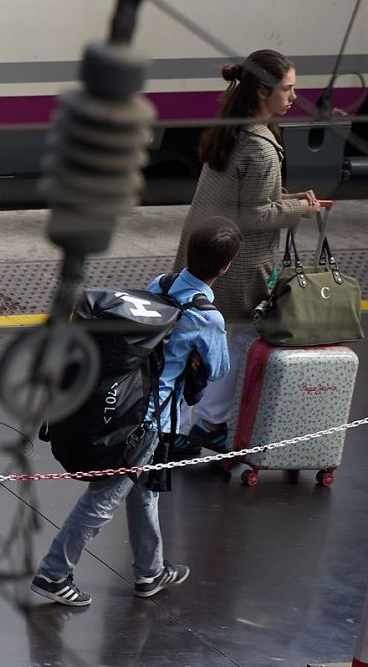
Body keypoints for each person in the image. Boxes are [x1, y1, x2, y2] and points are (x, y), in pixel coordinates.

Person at [32, 216, 241, 607]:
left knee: (144, 493)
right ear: (226, 267)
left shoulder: (160, 284)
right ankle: (53, 573)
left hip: (126, 404)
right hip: (146, 423)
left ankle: (150, 571)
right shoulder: (207, 317)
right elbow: (221, 369)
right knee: (103, 499)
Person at [175, 50, 323, 452]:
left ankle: (180, 427)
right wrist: (300, 209)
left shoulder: (231, 128)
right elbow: (255, 214)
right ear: (262, 92)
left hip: (202, 250)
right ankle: (209, 424)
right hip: (236, 265)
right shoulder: (259, 145)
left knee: (192, 343)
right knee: (231, 344)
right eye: (288, 89)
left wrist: (288, 199)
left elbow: (241, 198)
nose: (294, 97)